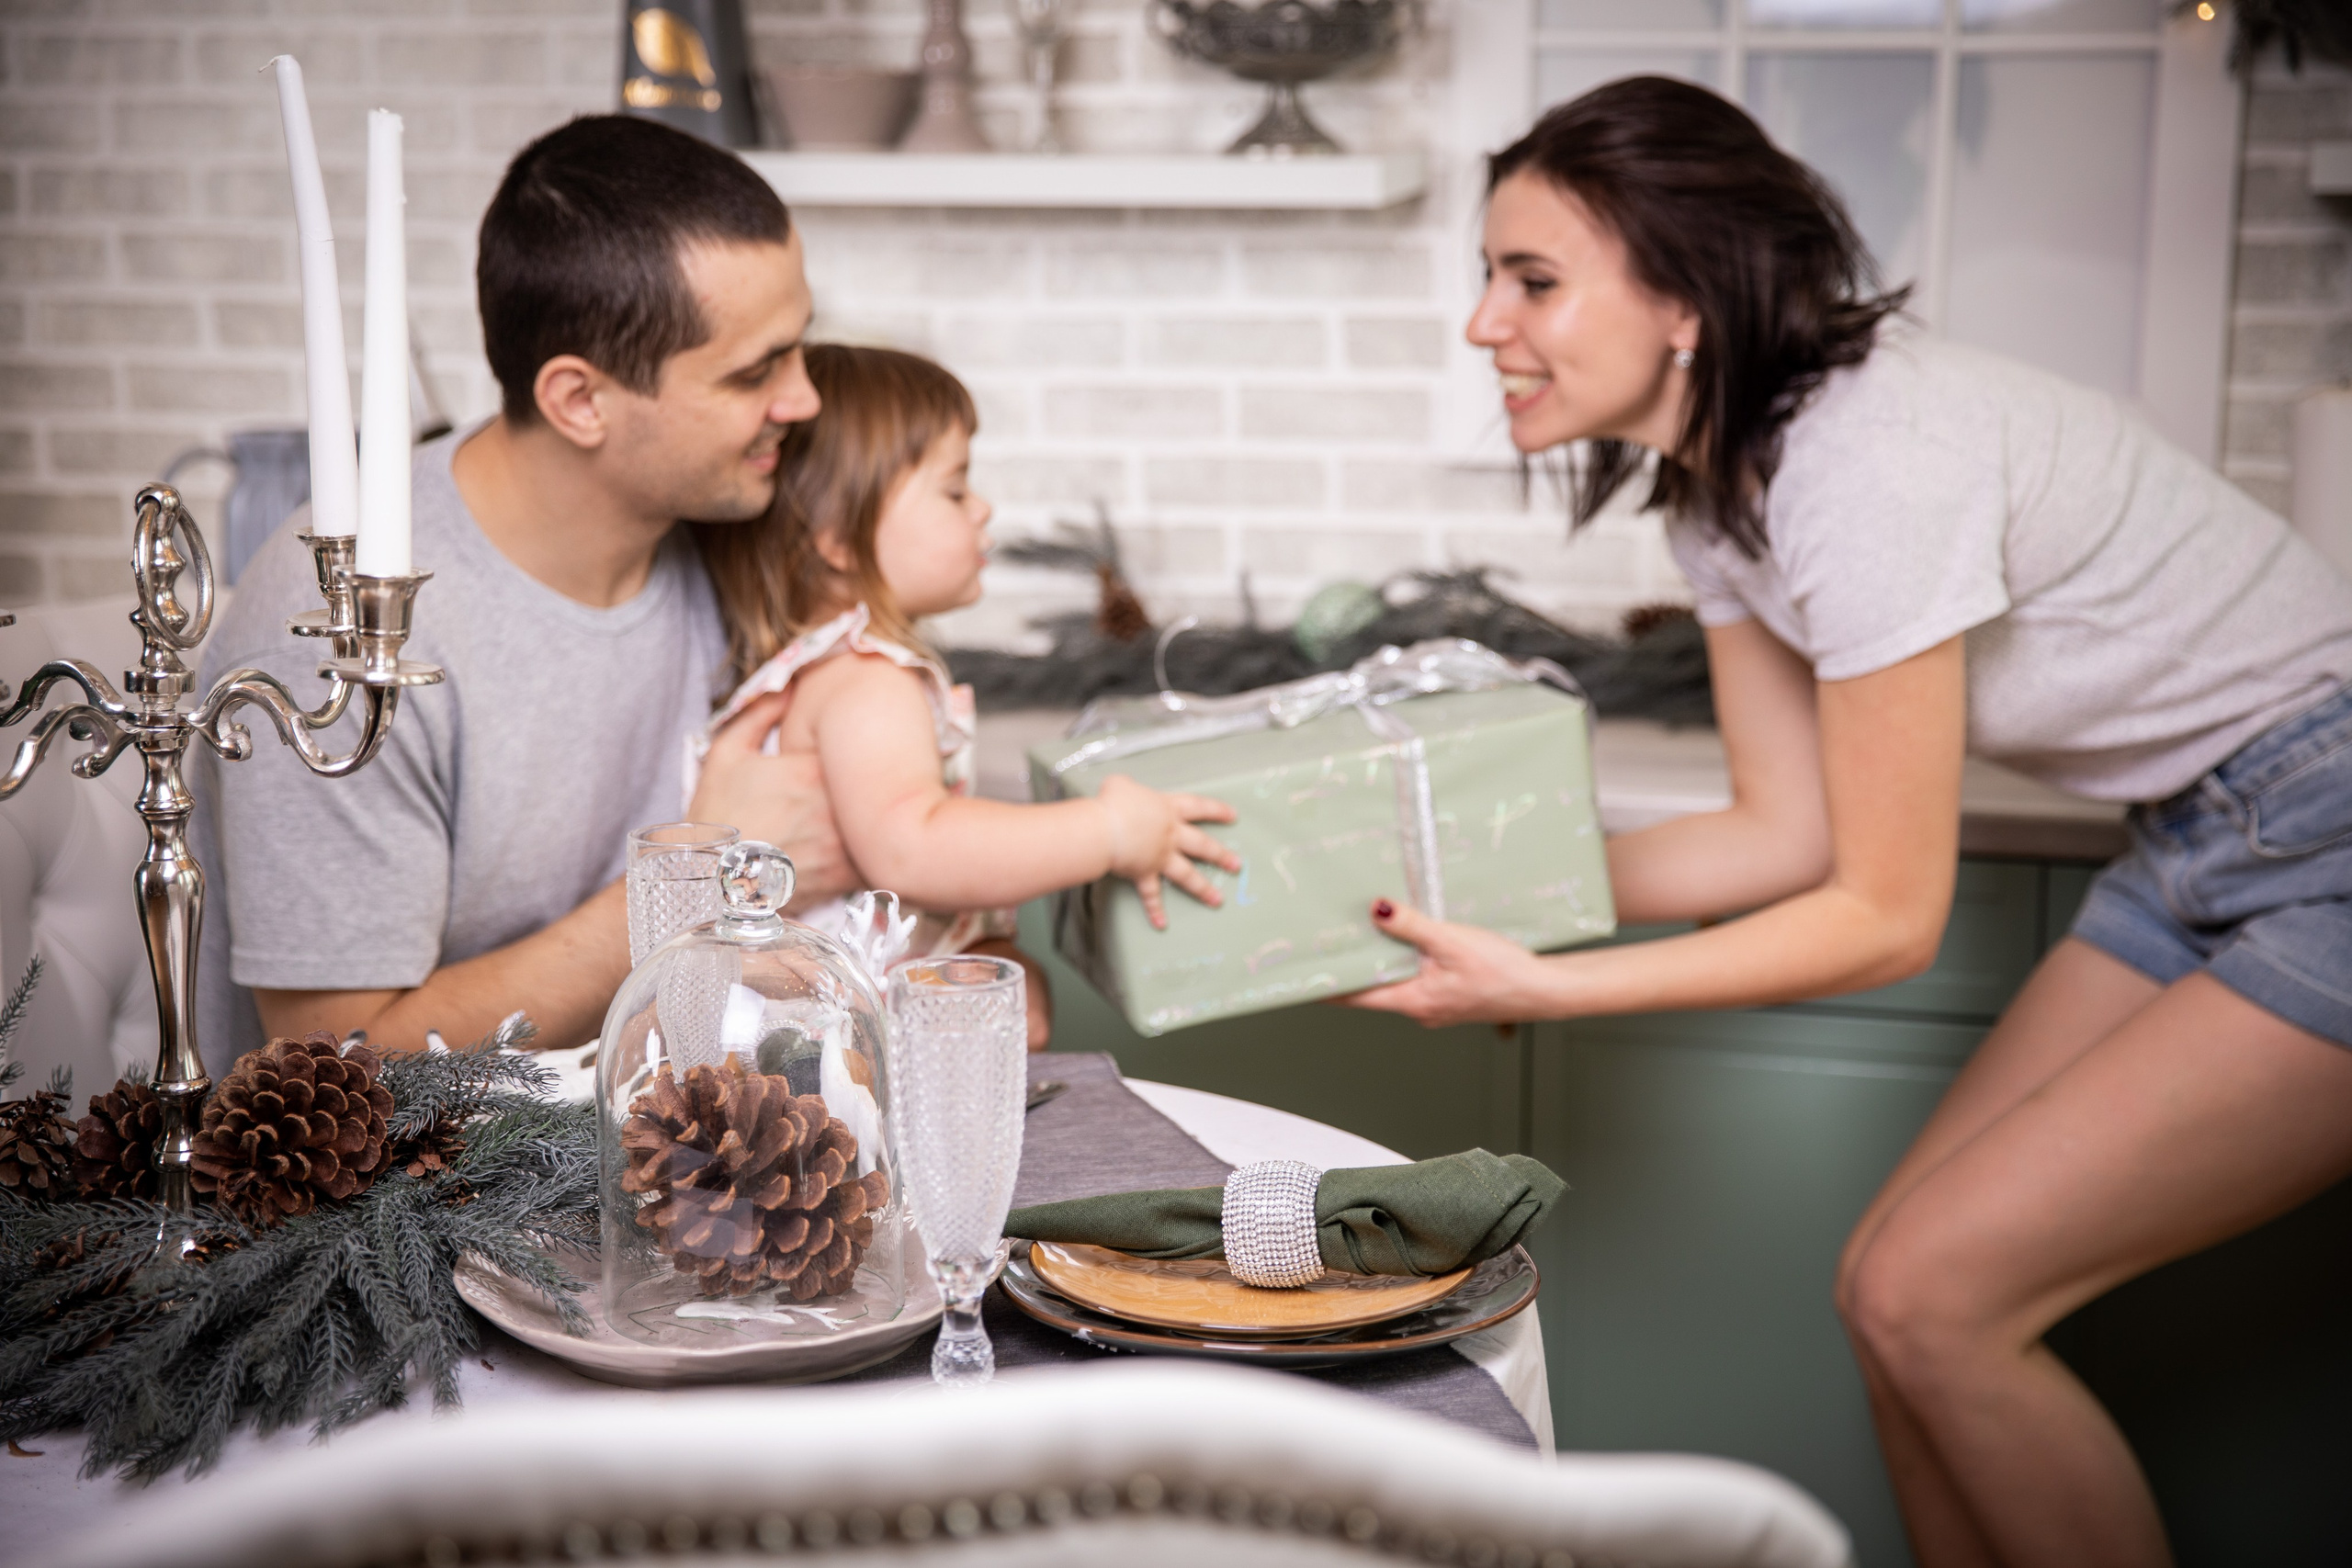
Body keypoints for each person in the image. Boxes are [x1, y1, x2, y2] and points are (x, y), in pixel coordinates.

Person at [1346, 77, 2352, 1567]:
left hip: (2324, 826)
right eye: (1489, 277)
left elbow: (1884, 913)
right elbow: (1783, 833)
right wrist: (1489, 903)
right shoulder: (1717, 490)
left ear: (1684, 295)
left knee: (1939, 1293)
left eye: (1533, 279)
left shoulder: (1862, 455)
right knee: (1894, 1290)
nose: (1486, 323)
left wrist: (1549, 982)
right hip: (2197, 833)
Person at [193, 115, 855, 1068]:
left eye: (798, 349)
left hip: (653, 1153)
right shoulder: (339, 632)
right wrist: (695, 866)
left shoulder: (727, 526)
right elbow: (333, 1058)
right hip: (411, 1201)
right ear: (580, 400)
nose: (803, 401)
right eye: (755, 372)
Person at [690, 344, 1240, 1049]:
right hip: (832, 1054)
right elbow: (914, 844)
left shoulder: (816, 670)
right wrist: (1109, 832)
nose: (983, 509)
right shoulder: (867, 679)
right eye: (954, 490)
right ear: (838, 540)